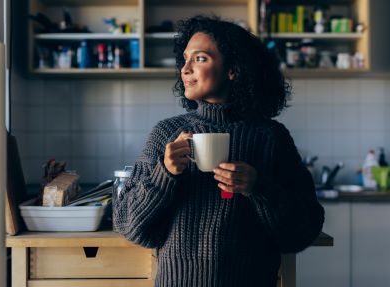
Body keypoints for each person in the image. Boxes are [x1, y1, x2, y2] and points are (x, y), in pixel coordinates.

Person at [113, 15, 324, 287]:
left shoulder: (271, 137)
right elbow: (130, 226)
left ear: (233, 69)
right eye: (185, 59)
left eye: (200, 59)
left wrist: (258, 187)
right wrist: (164, 175)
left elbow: (302, 231)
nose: (185, 69)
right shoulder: (166, 134)